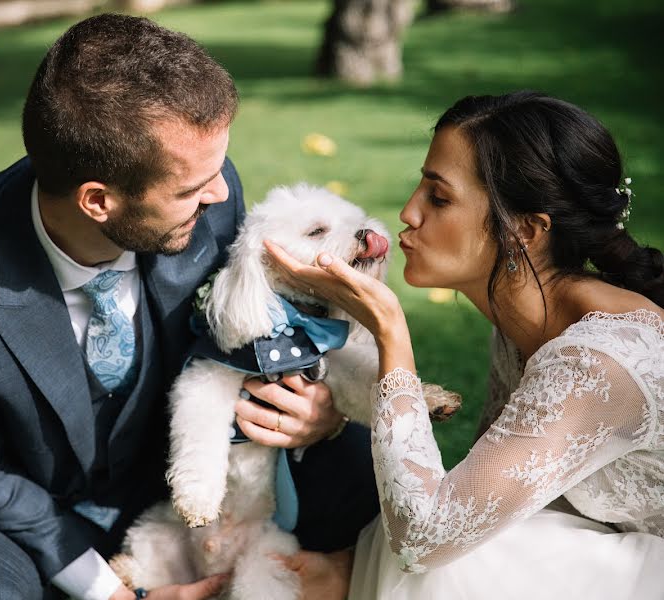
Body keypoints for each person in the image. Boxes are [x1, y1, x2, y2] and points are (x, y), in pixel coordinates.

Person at [0, 13, 380, 600]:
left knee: (380, 486)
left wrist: (322, 416)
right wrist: (108, 591)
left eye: (217, 171)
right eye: (190, 190)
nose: (221, 193)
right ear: (97, 200)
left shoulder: (208, 192)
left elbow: (262, 326)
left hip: (179, 470)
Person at [266, 91, 664, 599]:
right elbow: (482, 501)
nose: (408, 212)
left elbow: (426, 539)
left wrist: (390, 330)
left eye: (439, 197)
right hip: (602, 549)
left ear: (525, 230)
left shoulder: (598, 363)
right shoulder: (523, 321)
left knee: (450, 563)